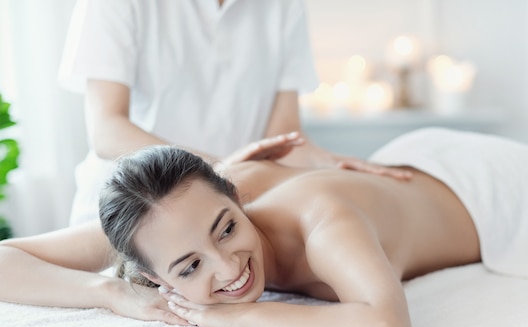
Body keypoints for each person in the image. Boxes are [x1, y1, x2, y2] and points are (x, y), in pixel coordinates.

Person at [1, 128, 528, 327]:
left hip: (497, 192)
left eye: (226, 227)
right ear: (151, 271)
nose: (228, 267)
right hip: (414, 170)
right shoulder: (163, 222)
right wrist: (109, 294)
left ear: (235, 193)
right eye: (188, 268)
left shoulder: (324, 219)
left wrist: (243, 316)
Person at [58, 0, 409, 225]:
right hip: (128, 208)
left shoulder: (284, 7)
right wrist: (218, 169)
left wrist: (333, 164)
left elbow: (283, 138)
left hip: (226, 206)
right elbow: (108, 130)